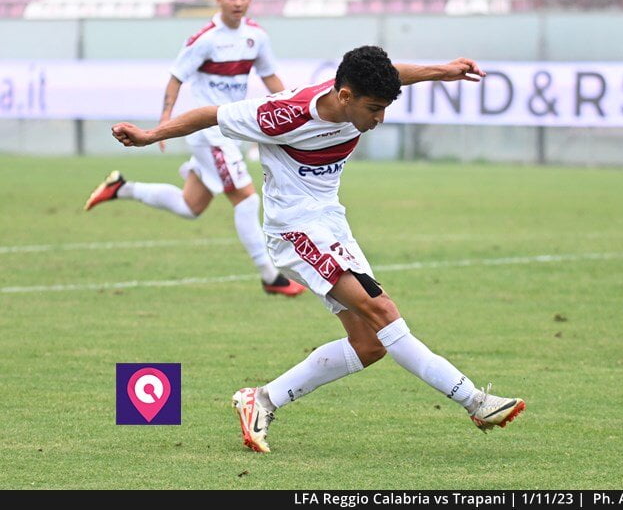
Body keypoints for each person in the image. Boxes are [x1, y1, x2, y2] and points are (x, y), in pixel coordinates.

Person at [109, 46, 526, 453]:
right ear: (345, 97)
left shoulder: (355, 92)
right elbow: (208, 115)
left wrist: (443, 71)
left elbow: (395, 72)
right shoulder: (283, 116)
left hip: (331, 225)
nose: (379, 119)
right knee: (383, 313)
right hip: (296, 231)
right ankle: (476, 402)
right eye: (374, 109)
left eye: (385, 108)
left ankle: (263, 400)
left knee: (369, 344)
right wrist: (150, 135)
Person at [84, 0, 304, 297]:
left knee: (191, 206)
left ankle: (121, 188)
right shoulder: (205, 40)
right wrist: (163, 121)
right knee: (246, 198)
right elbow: (176, 77)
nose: (238, 2)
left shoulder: (256, 36)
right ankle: (270, 276)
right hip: (211, 133)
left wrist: (291, 108)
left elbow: (271, 77)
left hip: (231, 130)